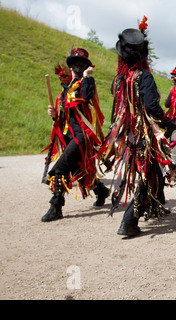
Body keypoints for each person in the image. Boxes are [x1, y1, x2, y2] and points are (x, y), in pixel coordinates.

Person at [98, 19, 176, 237]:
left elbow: (116, 109)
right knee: (148, 175)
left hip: (125, 137)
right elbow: (153, 108)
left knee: (151, 172)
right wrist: (173, 128)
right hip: (144, 137)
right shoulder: (144, 77)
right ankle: (129, 221)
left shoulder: (118, 80)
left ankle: (156, 206)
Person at [41, 49, 109, 222]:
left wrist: (87, 76)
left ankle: (56, 206)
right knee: (80, 171)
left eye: (82, 65)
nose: (77, 67)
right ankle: (101, 190)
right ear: (70, 67)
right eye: (74, 64)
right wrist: (55, 114)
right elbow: (65, 117)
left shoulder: (87, 83)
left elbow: (86, 99)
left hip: (82, 136)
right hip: (69, 136)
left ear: (86, 67)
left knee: (60, 169)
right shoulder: (65, 90)